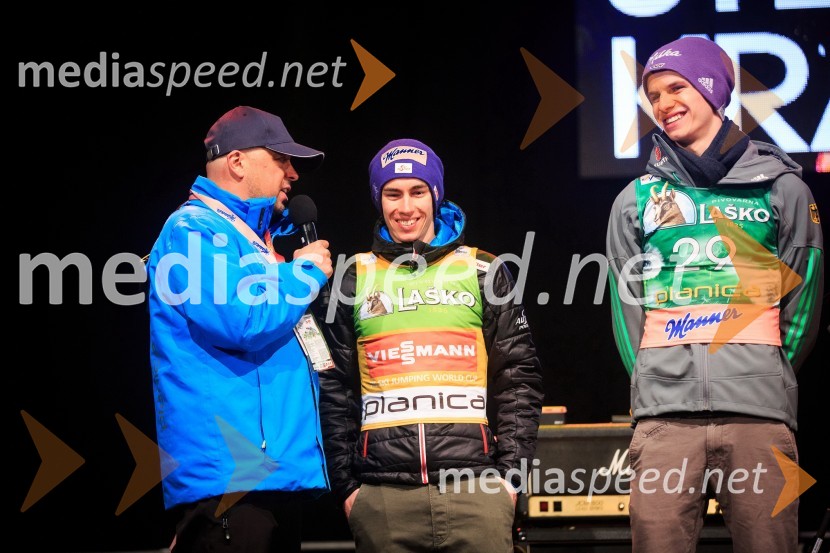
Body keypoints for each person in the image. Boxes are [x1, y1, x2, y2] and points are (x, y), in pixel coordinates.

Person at [606, 36, 824, 552]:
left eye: (676, 87)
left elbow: (806, 296)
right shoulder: (634, 201)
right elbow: (626, 309)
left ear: (712, 89)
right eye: (653, 95)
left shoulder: (782, 188)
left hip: (759, 417)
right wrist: (654, 380)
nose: (663, 104)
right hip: (664, 420)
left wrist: (764, 370)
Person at [316, 138, 545, 552]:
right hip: (383, 499)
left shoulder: (483, 270)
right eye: (392, 194)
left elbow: (518, 380)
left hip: (476, 491)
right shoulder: (353, 278)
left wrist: (510, 479)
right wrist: (349, 490)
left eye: (417, 191)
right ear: (377, 199)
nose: (406, 207)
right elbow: (334, 389)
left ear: (436, 194)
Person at [146, 105, 334, 553]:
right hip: (231, 482)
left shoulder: (252, 242)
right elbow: (241, 320)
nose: (293, 174)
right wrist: (301, 274)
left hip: (271, 479)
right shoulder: (191, 230)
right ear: (237, 162)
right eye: (281, 159)